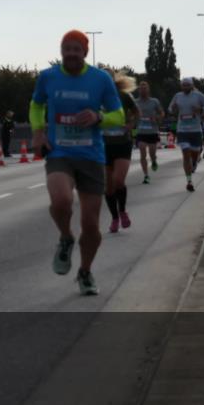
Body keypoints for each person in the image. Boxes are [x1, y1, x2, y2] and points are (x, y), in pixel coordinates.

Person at [30, 30, 124, 296]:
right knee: (60, 201)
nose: (71, 53)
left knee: (92, 225)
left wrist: (98, 117)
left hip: (91, 156)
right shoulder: (48, 77)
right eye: (66, 49)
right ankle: (65, 237)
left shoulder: (100, 79)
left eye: (76, 49)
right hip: (59, 152)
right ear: (61, 51)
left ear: (85, 52)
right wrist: (38, 131)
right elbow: (36, 105)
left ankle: (85, 271)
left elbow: (118, 115)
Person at [102, 71, 139, 233]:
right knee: (108, 187)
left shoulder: (123, 96)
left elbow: (137, 113)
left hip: (122, 142)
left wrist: (131, 125)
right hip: (103, 145)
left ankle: (123, 210)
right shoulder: (94, 97)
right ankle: (115, 217)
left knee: (118, 180)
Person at [168, 78, 204, 192]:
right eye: (183, 85)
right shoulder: (178, 96)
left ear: (192, 86)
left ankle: (195, 162)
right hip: (182, 130)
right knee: (186, 154)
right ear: (181, 86)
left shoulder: (198, 96)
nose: (185, 87)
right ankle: (189, 181)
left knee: (194, 155)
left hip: (196, 130)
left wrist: (200, 110)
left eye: (187, 85)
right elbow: (170, 108)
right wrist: (173, 109)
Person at [134, 81, 164, 184]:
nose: (143, 90)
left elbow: (162, 113)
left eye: (145, 88)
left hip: (152, 131)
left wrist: (157, 118)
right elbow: (130, 114)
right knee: (142, 151)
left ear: (148, 90)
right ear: (139, 90)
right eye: (141, 88)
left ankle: (154, 160)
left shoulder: (154, 101)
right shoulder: (135, 102)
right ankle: (146, 175)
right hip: (141, 131)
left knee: (152, 154)